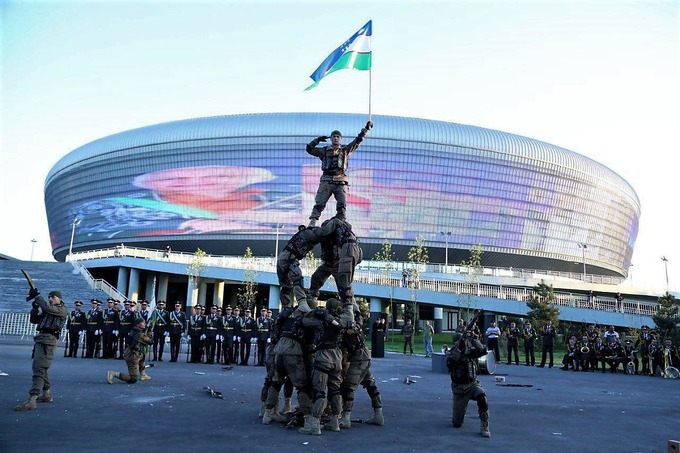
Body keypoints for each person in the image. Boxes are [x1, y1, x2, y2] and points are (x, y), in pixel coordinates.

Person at [305, 121, 373, 226]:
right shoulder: (324, 150)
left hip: (340, 180)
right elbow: (309, 149)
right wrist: (317, 140)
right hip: (327, 180)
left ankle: (341, 221)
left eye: (338, 136)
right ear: (331, 138)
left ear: (340, 139)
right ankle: (313, 220)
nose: (336, 138)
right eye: (334, 136)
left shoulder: (345, 150)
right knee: (320, 203)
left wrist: (366, 129)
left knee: (342, 204)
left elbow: (357, 141)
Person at [15, 288, 67, 411]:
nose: (50, 299)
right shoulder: (49, 309)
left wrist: (38, 297)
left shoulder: (61, 310)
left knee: (39, 369)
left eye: (53, 297)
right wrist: (34, 308)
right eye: (49, 297)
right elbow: (34, 320)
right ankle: (46, 395)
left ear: (60, 299)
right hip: (41, 339)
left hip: (49, 341)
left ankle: (32, 399)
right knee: (40, 368)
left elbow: (47, 308)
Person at [446, 330, 491, 438]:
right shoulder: (451, 353)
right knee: (457, 424)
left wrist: (473, 340)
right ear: (454, 343)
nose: (461, 343)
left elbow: (484, 350)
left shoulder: (470, 351)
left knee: (481, 396)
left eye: (462, 340)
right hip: (459, 389)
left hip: (472, 385)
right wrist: (459, 350)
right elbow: (449, 363)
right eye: (458, 341)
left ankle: (485, 424)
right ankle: (459, 414)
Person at [107, 317, 153, 384]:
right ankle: (114, 374)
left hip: (132, 351)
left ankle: (143, 374)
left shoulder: (133, 330)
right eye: (143, 323)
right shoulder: (139, 335)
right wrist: (149, 332)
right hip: (133, 355)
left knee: (142, 357)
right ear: (138, 325)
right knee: (133, 379)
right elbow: (150, 342)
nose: (145, 324)